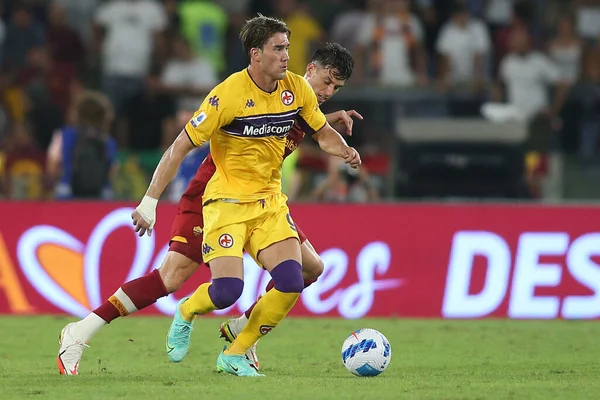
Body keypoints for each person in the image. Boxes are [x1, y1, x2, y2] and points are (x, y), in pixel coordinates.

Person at [56, 16, 359, 377]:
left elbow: (309, 124)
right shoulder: (233, 95)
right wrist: (150, 200)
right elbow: (182, 145)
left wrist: (338, 140)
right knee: (172, 279)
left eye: (335, 89)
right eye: (325, 83)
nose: (327, 92)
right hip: (213, 195)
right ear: (259, 54)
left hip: (263, 200)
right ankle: (80, 332)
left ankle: (244, 334)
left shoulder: (297, 96)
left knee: (310, 269)